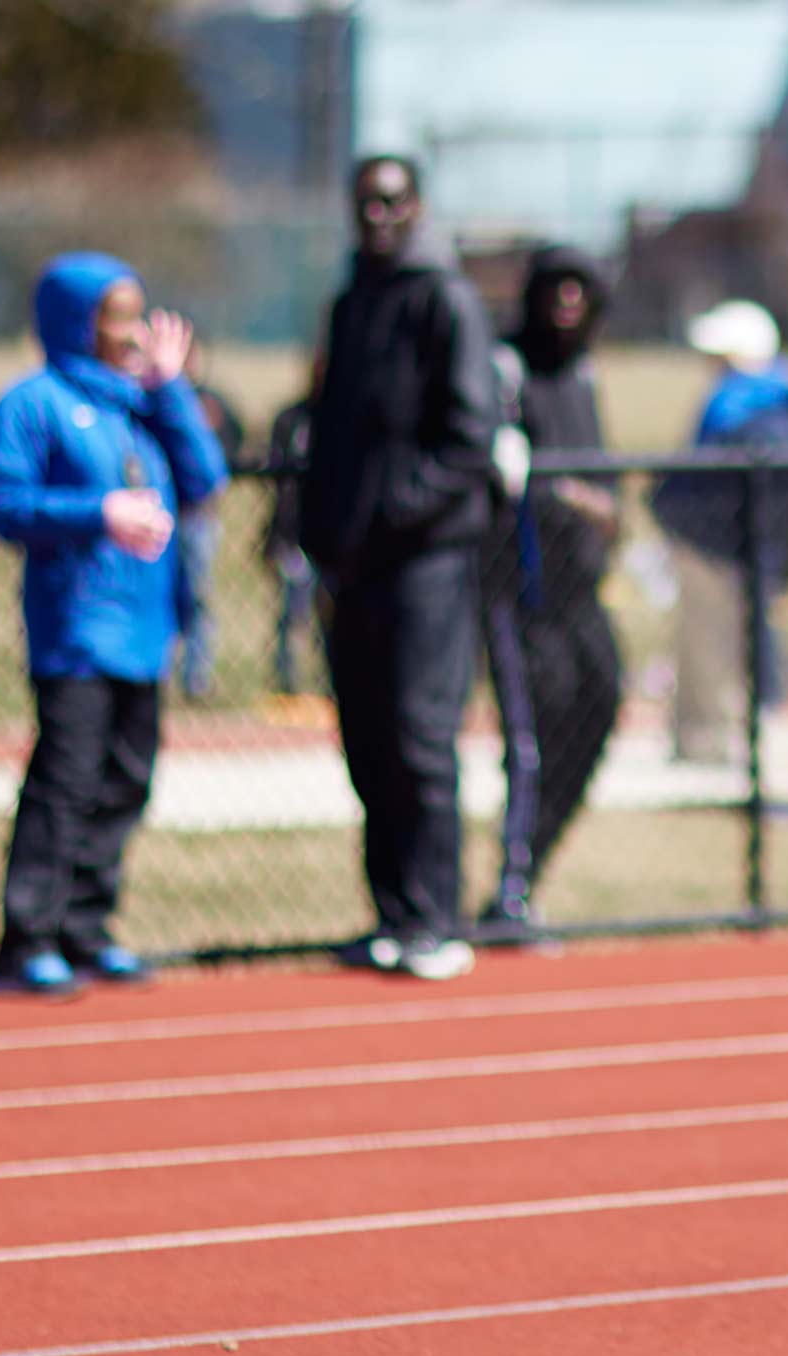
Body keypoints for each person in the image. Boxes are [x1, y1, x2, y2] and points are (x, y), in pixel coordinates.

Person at [0, 251, 228, 994]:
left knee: (126, 783)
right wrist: (97, 514)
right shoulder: (33, 402)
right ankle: (29, 938)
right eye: (116, 316)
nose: (132, 331)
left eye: (136, 314)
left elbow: (207, 479)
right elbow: (4, 503)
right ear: (75, 320)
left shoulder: (143, 401)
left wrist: (172, 388)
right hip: (76, 630)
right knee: (66, 783)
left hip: (148, 634)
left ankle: (87, 927)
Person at [301, 154, 501, 982]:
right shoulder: (352, 302)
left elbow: (470, 434)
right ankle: (390, 913)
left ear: (415, 206)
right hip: (355, 567)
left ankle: (435, 919)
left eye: (391, 201)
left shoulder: (442, 298)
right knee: (367, 743)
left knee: (421, 741)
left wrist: (395, 509)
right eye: (363, 202)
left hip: (426, 561)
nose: (376, 215)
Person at [485, 244, 623, 931]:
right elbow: (502, 472)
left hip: (582, 589)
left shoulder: (586, 375)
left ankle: (531, 864)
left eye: (580, 292)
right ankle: (509, 891)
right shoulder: (508, 369)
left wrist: (608, 514)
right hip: (518, 590)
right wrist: (568, 495)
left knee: (601, 701)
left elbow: (609, 480)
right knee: (530, 735)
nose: (567, 305)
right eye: (555, 291)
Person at [652, 298, 788, 764]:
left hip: (716, 547)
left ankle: (716, 744)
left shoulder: (734, 403)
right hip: (756, 546)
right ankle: (736, 737)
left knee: (719, 646)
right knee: (752, 639)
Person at [171, 340, 244, 701]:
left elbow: (233, 443)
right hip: (163, 516)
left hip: (199, 517)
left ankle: (196, 678)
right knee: (166, 598)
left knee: (199, 597)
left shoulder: (210, 402)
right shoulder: (152, 399)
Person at [259, 380, 325, 705]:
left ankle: (326, 682)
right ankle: (287, 681)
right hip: (293, 533)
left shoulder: (336, 416)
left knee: (325, 615)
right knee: (291, 613)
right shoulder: (291, 420)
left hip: (328, 535)